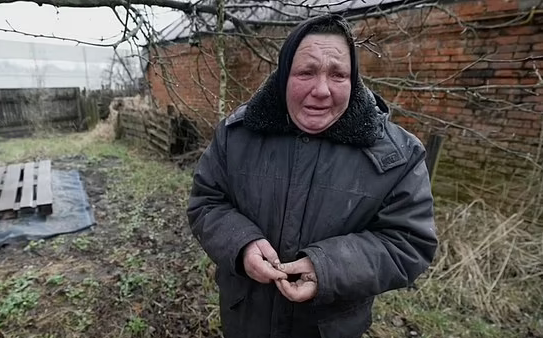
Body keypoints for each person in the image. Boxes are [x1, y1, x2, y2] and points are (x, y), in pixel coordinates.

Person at [186, 13, 438, 338]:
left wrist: (327, 268)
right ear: (283, 76)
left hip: (328, 328)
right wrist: (242, 244)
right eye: (306, 72)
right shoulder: (237, 135)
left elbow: (409, 242)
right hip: (245, 320)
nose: (322, 90)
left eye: (338, 74)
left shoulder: (397, 156)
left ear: (354, 79)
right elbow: (207, 202)